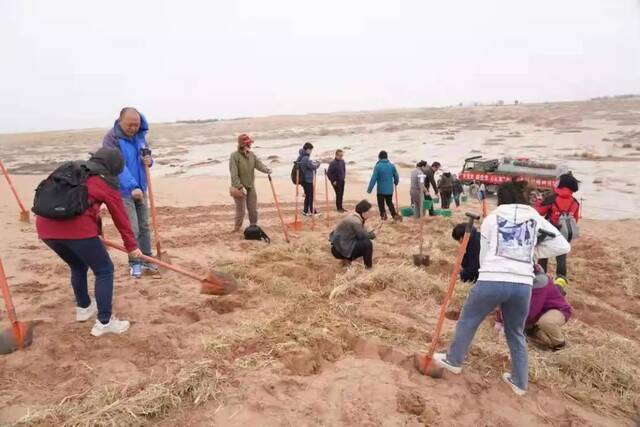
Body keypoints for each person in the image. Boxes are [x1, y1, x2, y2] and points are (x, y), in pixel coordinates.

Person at [434, 181, 570, 396]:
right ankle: (519, 382)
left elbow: (483, 256)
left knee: (469, 320)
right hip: (523, 283)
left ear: (501, 198)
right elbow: (562, 245)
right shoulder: (535, 218)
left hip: (493, 277)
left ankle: (454, 360)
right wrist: (531, 250)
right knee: (515, 332)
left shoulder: (492, 218)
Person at [36, 149, 142, 336]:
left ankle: (84, 308)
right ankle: (104, 322)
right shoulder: (105, 182)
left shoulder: (70, 168)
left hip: (45, 228)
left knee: (77, 264)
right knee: (104, 270)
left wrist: (95, 232)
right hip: (77, 231)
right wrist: (132, 247)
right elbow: (121, 219)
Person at [102, 107, 156, 278]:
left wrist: (149, 160)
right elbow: (117, 166)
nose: (133, 128)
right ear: (120, 121)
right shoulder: (111, 138)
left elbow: (145, 156)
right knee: (131, 228)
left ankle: (147, 259)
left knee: (144, 226)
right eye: (130, 125)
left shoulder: (140, 137)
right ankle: (135, 263)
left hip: (142, 187)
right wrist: (132, 186)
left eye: (136, 125)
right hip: (124, 190)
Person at [496, 265, 572, 351]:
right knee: (528, 330)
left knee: (546, 322)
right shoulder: (517, 278)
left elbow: (533, 309)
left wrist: (515, 325)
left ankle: (559, 344)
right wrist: (500, 320)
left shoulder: (539, 281)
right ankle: (535, 332)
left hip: (557, 309)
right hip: (539, 312)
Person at [534, 173, 580, 293]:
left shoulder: (552, 198)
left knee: (543, 256)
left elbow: (540, 212)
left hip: (548, 232)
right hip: (564, 233)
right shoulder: (575, 202)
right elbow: (575, 220)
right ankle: (560, 284)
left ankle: (541, 282)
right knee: (561, 258)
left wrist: (539, 202)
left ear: (562, 184)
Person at [229, 134, 272, 232]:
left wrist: (267, 170)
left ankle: (253, 226)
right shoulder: (234, 156)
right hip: (239, 187)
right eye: (248, 144)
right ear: (242, 144)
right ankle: (237, 228)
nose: (250, 145)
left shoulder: (252, 155)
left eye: (250, 143)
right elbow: (234, 174)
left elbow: (259, 165)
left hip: (251, 186)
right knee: (241, 211)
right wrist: (239, 186)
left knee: (253, 208)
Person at [330, 200, 375, 268]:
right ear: (363, 212)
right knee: (367, 244)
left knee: (360, 242)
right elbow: (363, 236)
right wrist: (371, 232)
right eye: (368, 212)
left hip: (337, 248)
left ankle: (346, 260)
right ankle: (368, 267)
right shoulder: (355, 221)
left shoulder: (353, 216)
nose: (370, 214)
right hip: (340, 250)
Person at [367, 151, 400, 221]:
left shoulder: (377, 166)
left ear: (379, 157)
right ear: (386, 157)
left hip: (381, 190)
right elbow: (396, 176)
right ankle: (394, 215)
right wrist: (396, 182)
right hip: (389, 189)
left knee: (381, 203)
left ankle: (383, 215)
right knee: (389, 202)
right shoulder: (392, 166)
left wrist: (369, 189)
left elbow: (374, 178)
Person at [296, 142, 321, 216]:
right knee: (310, 195)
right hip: (308, 179)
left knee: (307, 195)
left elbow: (307, 165)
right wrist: (318, 163)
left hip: (303, 179)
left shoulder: (300, 156)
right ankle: (312, 211)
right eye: (311, 150)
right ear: (307, 150)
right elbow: (313, 167)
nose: (311, 152)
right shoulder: (306, 158)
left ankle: (305, 210)